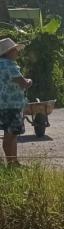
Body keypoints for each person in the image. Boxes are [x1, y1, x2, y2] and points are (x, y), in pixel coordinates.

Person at [0, 38, 32, 166]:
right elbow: (22, 83)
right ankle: (12, 162)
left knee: (10, 134)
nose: (17, 53)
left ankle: (13, 162)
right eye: (15, 50)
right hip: (12, 104)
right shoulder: (9, 65)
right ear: (8, 52)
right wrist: (29, 81)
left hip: (2, 104)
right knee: (11, 134)